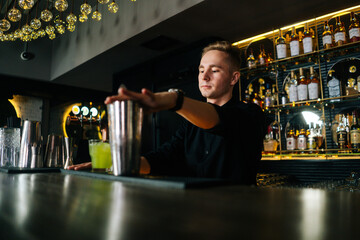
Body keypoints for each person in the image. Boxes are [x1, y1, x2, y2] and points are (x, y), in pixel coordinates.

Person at [68, 41, 265, 184]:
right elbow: (161, 159)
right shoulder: (190, 124)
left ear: (233, 78)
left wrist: (173, 100)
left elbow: (221, 121)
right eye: (201, 70)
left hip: (239, 217)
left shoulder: (250, 114)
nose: (204, 76)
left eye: (215, 70)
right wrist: (114, 163)